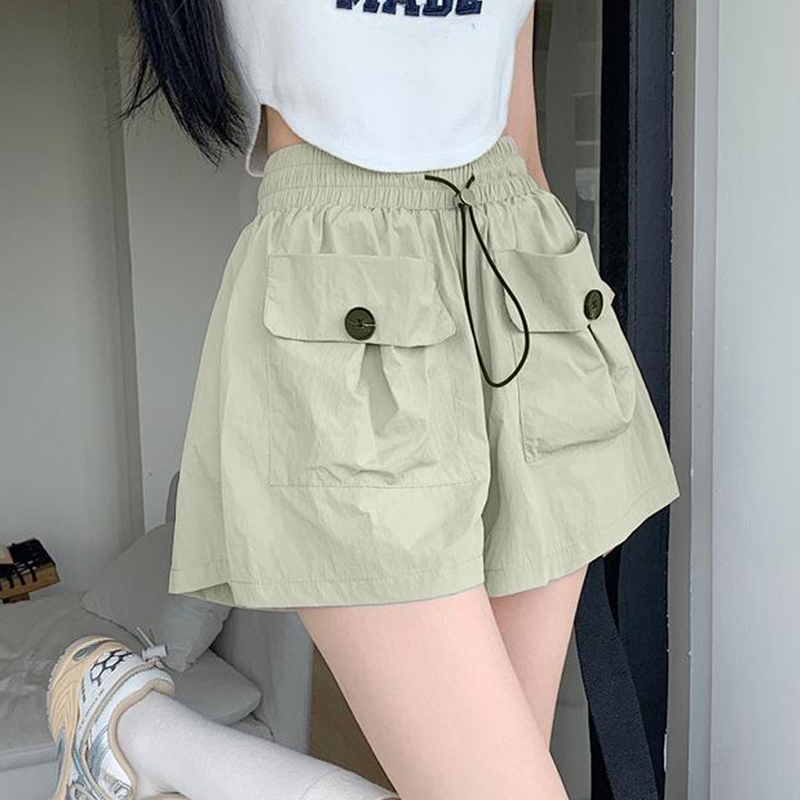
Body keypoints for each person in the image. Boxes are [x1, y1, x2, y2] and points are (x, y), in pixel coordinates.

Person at [47, 2, 681, 799]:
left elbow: (515, 123)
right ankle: (140, 734)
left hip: (526, 272)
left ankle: (136, 735)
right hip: (347, 282)